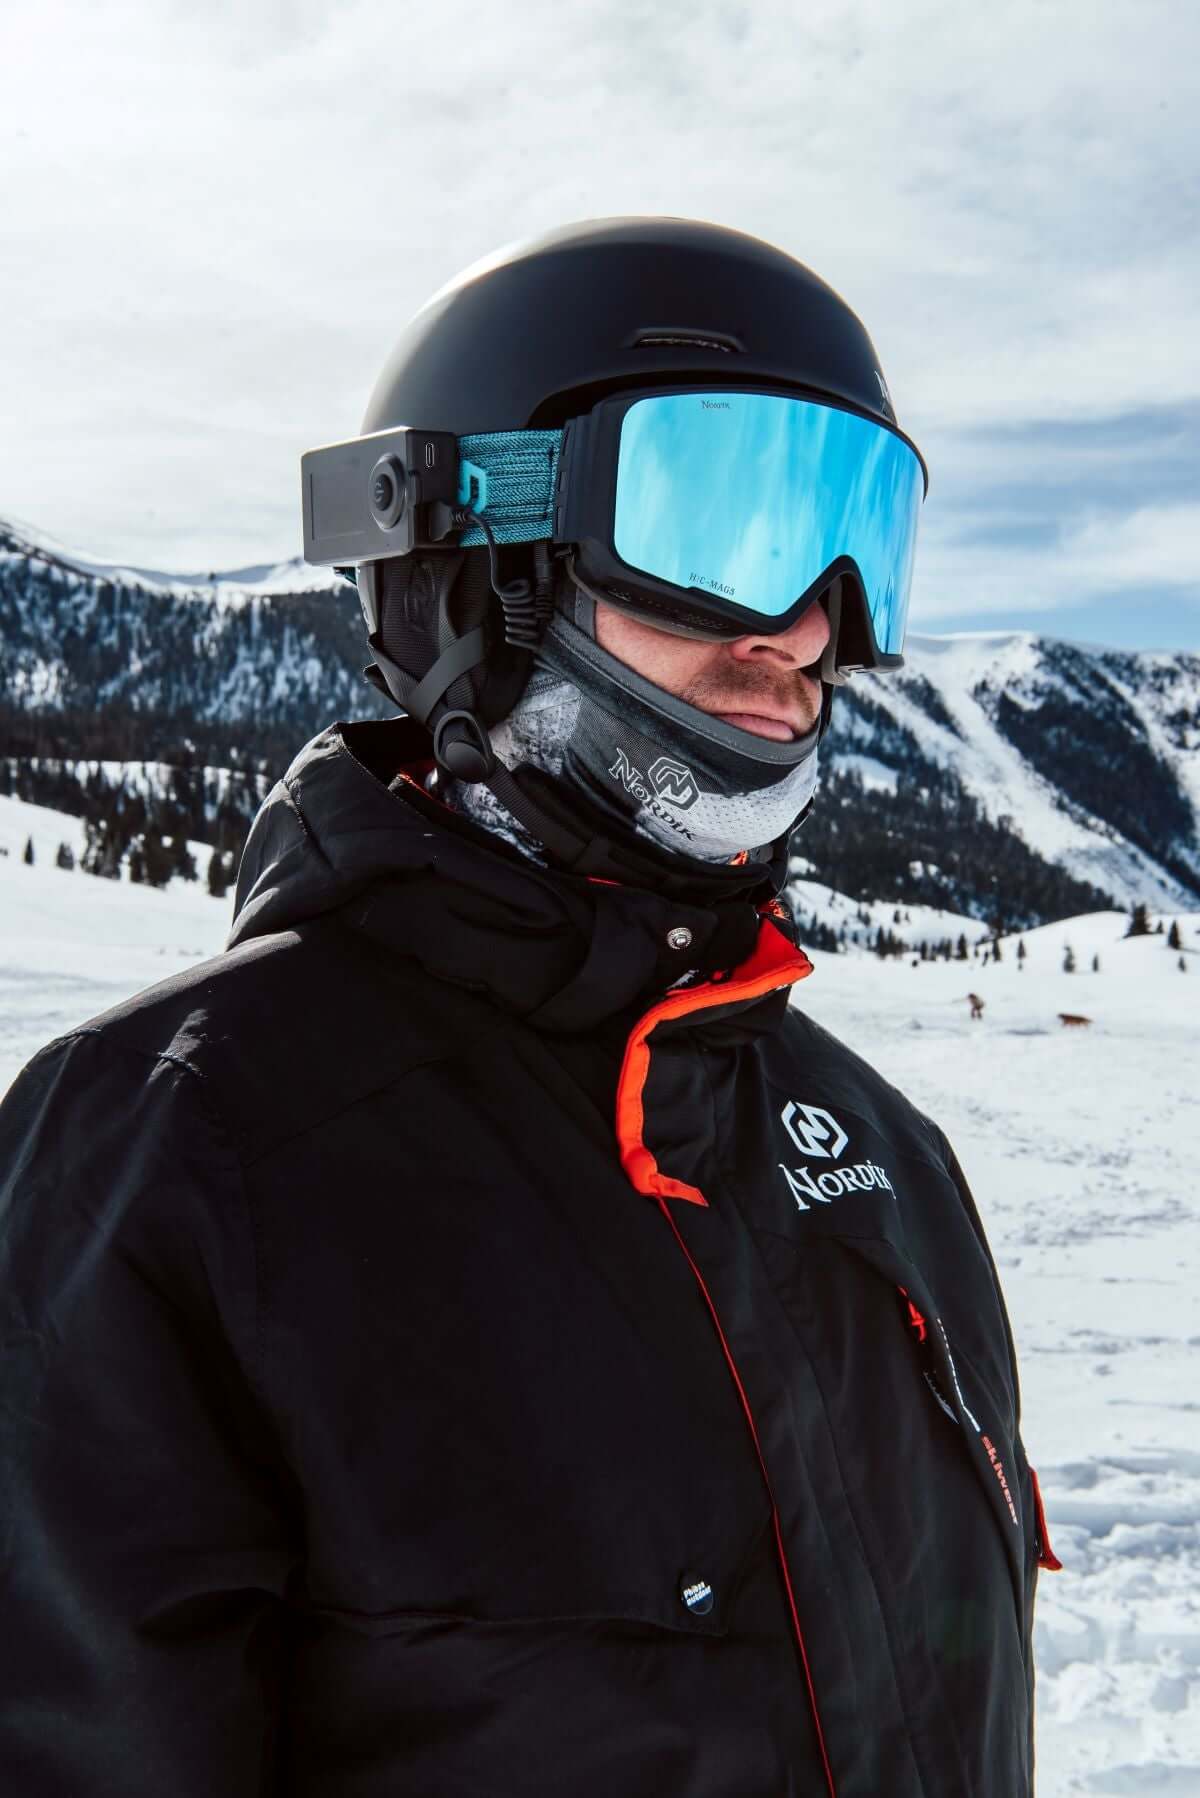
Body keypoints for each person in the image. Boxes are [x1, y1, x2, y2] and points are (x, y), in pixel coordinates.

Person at [0, 218, 1059, 1797]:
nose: (806, 626)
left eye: (853, 540)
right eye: (723, 524)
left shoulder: (885, 1158)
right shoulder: (172, 1162)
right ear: (472, 563)